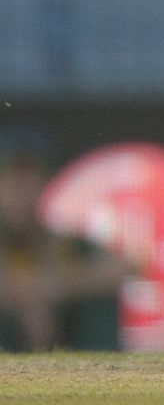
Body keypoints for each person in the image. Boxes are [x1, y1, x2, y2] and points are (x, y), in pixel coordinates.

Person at [0, 124, 134, 352]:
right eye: (10, 179)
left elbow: (126, 266)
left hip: (63, 339)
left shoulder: (63, 242)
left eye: (29, 179)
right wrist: (26, 298)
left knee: (97, 303)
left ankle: (96, 375)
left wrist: (54, 285)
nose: (19, 191)